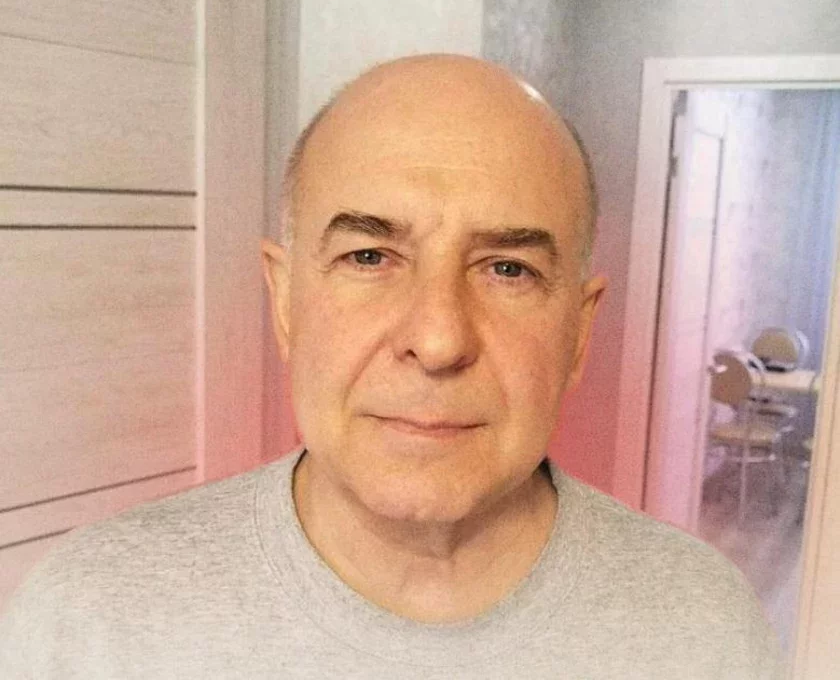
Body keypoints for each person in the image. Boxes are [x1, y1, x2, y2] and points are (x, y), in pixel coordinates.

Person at [0, 54, 782, 679]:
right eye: (369, 256)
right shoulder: (91, 621)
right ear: (285, 302)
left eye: (508, 269)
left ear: (578, 333)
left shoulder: (704, 629)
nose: (438, 340)